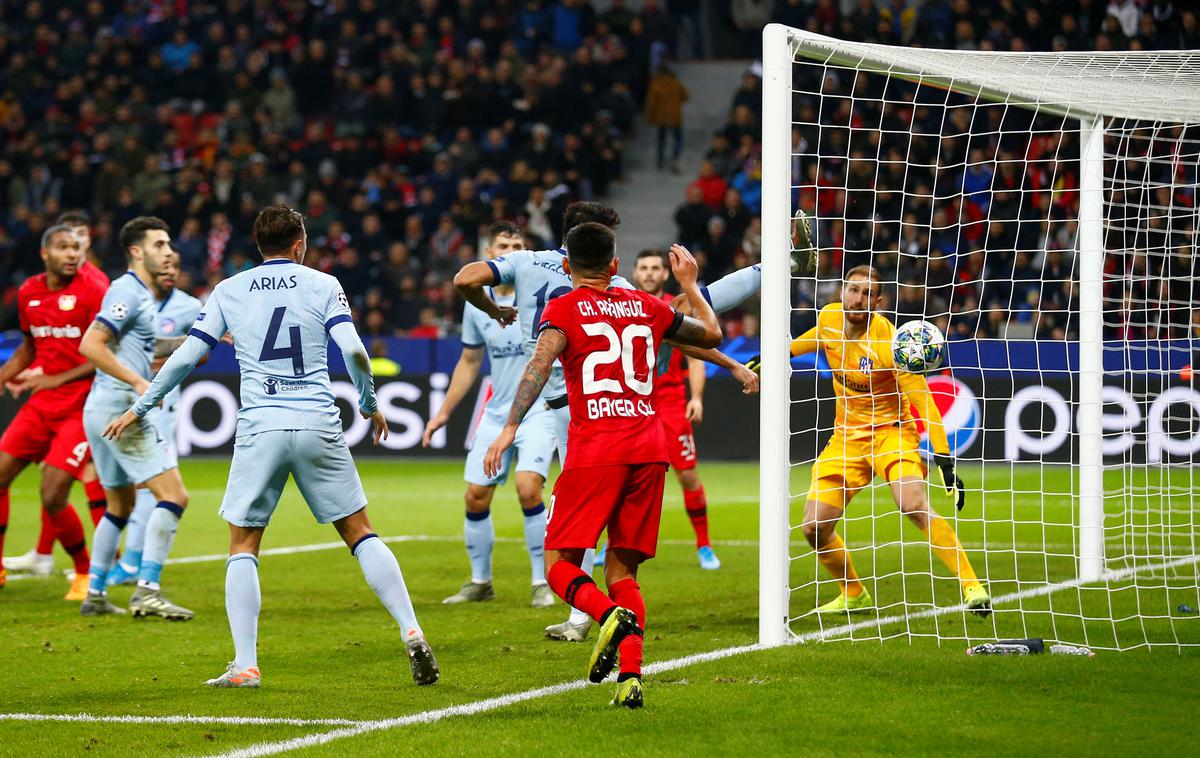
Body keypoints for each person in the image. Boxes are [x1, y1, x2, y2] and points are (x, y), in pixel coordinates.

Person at [103, 204, 438, 688]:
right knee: (361, 532)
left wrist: (142, 406)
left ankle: (246, 665)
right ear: (300, 244)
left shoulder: (229, 289)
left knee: (244, 543)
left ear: (258, 246)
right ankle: (411, 629)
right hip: (319, 419)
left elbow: (187, 357)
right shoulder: (324, 284)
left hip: (262, 423)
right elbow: (356, 352)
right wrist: (368, 404)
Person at [483, 227, 723, 708]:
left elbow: (538, 366)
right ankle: (631, 676)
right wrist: (691, 286)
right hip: (649, 447)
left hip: (596, 449)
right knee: (622, 569)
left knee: (558, 567)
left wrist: (510, 425)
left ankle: (607, 616)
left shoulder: (564, 309)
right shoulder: (650, 306)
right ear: (616, 266)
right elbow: (713, 335)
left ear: (567, 267)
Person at [778, 265, 990, 615]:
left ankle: (972, 586)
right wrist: (762, 361)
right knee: (814, 526)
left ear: (878, 301)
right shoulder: (829, 318)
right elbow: (800, 344)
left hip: (892, 434)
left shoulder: (893, 345)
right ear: (842, 292)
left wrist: (945, 462)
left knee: (912, 505)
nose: (858, 299)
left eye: (866, 294)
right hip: (846, 439)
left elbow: (926, 405)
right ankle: (854, 593)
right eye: (853, 290)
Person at [423, 221, 557, 607]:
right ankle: (480, 582)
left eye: (518, 245)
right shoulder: (477, 303)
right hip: (497, 411)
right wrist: (443, 413)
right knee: (475, 496)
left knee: (528, 487)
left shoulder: (540, 294)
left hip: (539, 409)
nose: (511, 250)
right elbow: (469, 361)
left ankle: (541, 583)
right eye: (504, 245)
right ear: (489, 252)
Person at [78, 216, 194, 619]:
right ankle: (148, 590)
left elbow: (143, 343)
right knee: (175, 496)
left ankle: (94, 594)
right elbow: (91, 344)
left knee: (120, 505)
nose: (169, 252)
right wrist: (139, 383)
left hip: (99, 409)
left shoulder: (140, 295)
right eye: (160, 244)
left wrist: (193, 340)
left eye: (169, 244)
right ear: (136, 251)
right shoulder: (126, 291)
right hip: (119, 409)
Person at [0, 225, 108, 598]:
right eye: (63, 247)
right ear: (45, 253)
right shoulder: (29, 291)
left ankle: (83, 571)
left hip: (80, 406)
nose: (72, 254)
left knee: (53, 493)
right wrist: (3, 376)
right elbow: (30, 348)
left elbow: (105, 352)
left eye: (76, 247)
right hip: (41, 404)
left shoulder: (94, 289)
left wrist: (58, 378)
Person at [104, 251, 202, 587]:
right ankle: (119, 567)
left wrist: (173, 362)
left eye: (177, 266)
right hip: (119, 397)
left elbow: (201, 354)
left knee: (150, 484)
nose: (172, 271)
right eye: (167, 265)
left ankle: (132, 562)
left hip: (161, 403)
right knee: (124, 485)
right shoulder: (133, 300)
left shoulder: (189, 307)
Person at [631, 249, 720, 569]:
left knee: (687, 476)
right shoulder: (624, 305)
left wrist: (695, 397)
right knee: (626, 480)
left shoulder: (677, 306)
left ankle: (704, 545)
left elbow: (695, 355)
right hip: (633, 406)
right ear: (635, 272)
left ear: (665, 273)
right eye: (645, 268)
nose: (651, 273)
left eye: (656, 267)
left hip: (669, 405)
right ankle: (614, 546)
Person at [643, 63, 689, 173]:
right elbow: (685, 96)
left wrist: (649, 118)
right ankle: (676, 157)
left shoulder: (656, 84)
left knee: (661, 139)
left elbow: (651, 103)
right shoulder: (676, 83)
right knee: (678, 139)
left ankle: (660, 160)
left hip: (661, 117)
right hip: (675, 115)